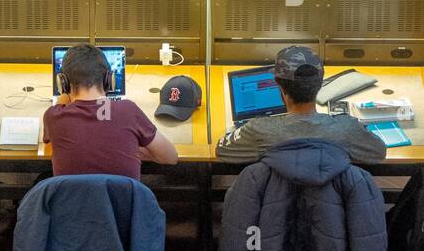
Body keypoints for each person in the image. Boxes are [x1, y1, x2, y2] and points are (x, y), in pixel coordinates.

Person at [216, 44, 386, 164]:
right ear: (320, 84)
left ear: (279, 86)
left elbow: (222, 149)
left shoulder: (258, 130)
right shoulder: (347, 129)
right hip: (330, 212)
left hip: (277, 211)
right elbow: (379, 152)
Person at [43, 44, 178, 179]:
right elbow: (170, 157)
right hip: (123, 200)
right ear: (109, 80)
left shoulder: (53, 116)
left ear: (63, 83)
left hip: (72, 200)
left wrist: (64, 96)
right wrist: (131, 148)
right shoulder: (128, 111)